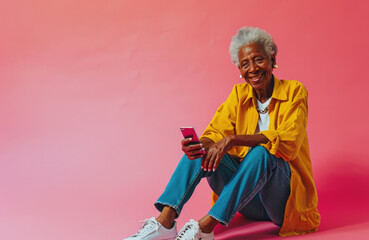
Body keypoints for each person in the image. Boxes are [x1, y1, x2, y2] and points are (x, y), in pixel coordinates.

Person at [124, 26, 320, 240]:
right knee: (201, 150)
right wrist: (199, 145)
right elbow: (216, 132)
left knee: (262, 152)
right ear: (240, 70)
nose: (253, 68)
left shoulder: (295, 91)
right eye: (245, 63)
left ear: (272, 60)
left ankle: (206, 227)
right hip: (247, 202)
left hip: (283, 203)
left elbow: (289, 140)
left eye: (259, 59)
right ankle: (165, 222)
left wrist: (233, 140)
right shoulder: (238, 94)